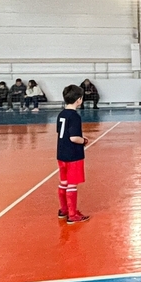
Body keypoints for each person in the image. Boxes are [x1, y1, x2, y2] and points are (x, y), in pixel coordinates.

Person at [56, 84, 90, 224]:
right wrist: (84, 141)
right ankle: (72, 215)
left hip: (61, 153)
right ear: (79, 99)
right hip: (73, 154)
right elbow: (74, 138)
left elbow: (61, 133)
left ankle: (63, 210)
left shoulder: (61, 114)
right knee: (72, 184)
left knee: (63, 182)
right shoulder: (75, 116)